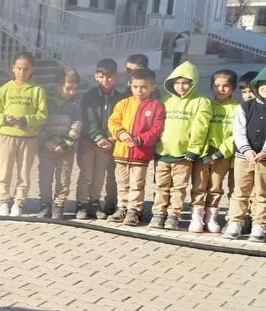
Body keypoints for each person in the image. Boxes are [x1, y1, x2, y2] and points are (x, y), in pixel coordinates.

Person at [149, 61, 210, 230]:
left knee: (179, 187)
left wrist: (193, 150)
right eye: (177, 82)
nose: (181, 86)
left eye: (185, 82)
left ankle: (173, 215)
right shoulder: (166, 100)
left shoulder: (201, 102)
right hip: (162, 152)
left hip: (184, 155)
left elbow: (201, 128)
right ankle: (158, 213)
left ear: (193, 82)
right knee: (161, 185)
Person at [0, 52, 48, 217]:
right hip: (6, 137)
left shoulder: (37, 91)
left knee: (24, 173)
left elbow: (42, 115)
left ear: (32, 70)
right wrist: (4, 119)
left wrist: (25, 120)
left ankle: (19, 203)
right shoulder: (4, 89)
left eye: (26, 69)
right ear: (13, 68)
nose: (22, 72)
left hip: (28, 138)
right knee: (4, 171)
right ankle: (2, 202)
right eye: (19, 68)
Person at [106, 68, 165, 226]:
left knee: (137, 183)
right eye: (135, 87)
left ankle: (134, 210)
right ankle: (122, 207)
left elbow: (156, 130)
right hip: (121, 151)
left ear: (152, 87)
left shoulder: (156, 107)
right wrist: (120, 134)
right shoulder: (123, 104)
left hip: (140, 154)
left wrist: (139, 140)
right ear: (130, 86)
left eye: (144, 87)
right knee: (122, 182)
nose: (139, 90)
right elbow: (113, 121)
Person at [75, 59, 126, 219]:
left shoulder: (119, 97)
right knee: (86, 175)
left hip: (107, 144)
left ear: (116, 77)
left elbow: (119, 120)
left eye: (110, 77)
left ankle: (94, 203)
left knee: (99, 176)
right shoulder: (89, 96)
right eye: (102, 76)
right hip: (88, 143)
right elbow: (88, 119)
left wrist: (110, 138)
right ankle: (81, 205)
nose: (106, 80)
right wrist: (97, 136)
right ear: (96, 76)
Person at [192, 69, 238, 234]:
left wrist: (219, 153)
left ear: (233, 88)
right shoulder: (205, 105)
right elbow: (199, 130)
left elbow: (236, 135)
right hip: (203, 153)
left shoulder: (238, 109)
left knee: (215, 186)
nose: (221, 89)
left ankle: (211, 217)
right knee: (199, 184)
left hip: (223, 154)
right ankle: (196, 216)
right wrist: (203, 152)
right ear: (212, 87)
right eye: (217, 85)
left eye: (226, 86)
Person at [226, 68, 266, 241]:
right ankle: (236, 222)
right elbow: (239, 131)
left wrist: (264, 151)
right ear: (257, 87)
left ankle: (260, 225)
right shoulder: (245, 106)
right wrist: (247, 150)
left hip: (264, 159)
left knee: (262, 192)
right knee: (240, 191)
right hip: (244, 157)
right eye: (263, 86)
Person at [38, 68, 83, 219]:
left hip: (66, 149)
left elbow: (77, 124)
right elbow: (40, 123)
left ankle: (58, 206)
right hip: (47, 147)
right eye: (68, 88)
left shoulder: (75, 105)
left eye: (75, 89)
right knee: (45, 177)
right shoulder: (46, 102)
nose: (72, 93)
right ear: (58, 85)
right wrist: (46, 141)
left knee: (63, 179)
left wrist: (67, 143)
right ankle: (45, 206)